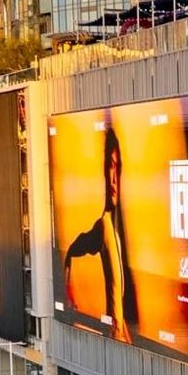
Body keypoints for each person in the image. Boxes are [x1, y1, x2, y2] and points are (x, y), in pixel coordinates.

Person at [61, 121, 143, 345]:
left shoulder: (116, 231)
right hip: (113, 337)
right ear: (105, 172)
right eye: (110, 166)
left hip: (121, 337)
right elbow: (73, 249)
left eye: (118, 167)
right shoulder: (104, 225)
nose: (114, 178)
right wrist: (68, 295)